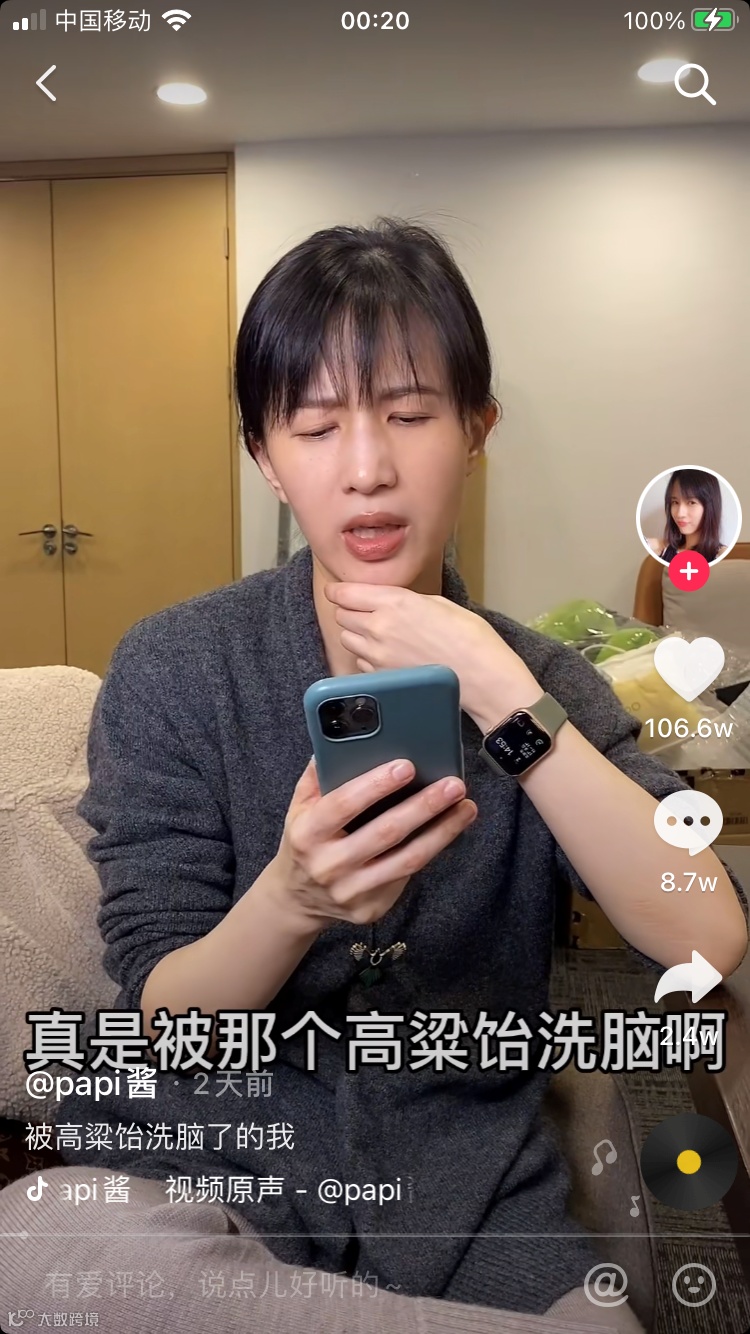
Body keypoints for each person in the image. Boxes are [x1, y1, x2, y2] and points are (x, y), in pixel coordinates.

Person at [1, 221, 747, 1334]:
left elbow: (707, 935)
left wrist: (506, 698)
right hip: (205, 1173)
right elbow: (168, 1020)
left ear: (476, 428)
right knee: (43, 1248)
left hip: (473, 1200)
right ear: (266, 455)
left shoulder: (541, 682)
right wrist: (291, 899)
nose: (366, 469)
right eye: (315, 426)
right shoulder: (177, 665)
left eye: (408, 413)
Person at [647, 467, 728, 563]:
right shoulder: (660, 549)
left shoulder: (721, 556)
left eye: (691, 502)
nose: (680, 514)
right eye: (675, 502)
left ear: (710, 506)